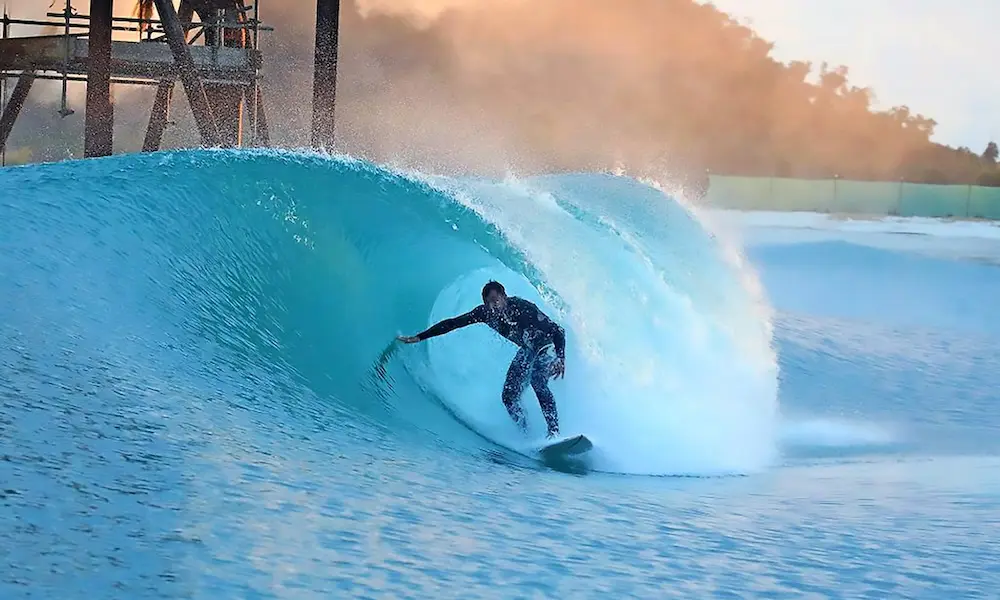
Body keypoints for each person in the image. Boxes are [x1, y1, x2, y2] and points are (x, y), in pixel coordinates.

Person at [397, 281, 566, 438]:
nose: (493, 306)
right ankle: (526, 433)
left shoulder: (523, 309)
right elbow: (452, 323)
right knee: (508, 396)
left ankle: (554, 432)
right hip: (527, 351)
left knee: (537, 380)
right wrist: (419, 337)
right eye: (488, 303)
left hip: (547, 346)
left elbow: (558, 331)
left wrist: (560, 358)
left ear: (504, 297)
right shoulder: (485, 314)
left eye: (495, 300)